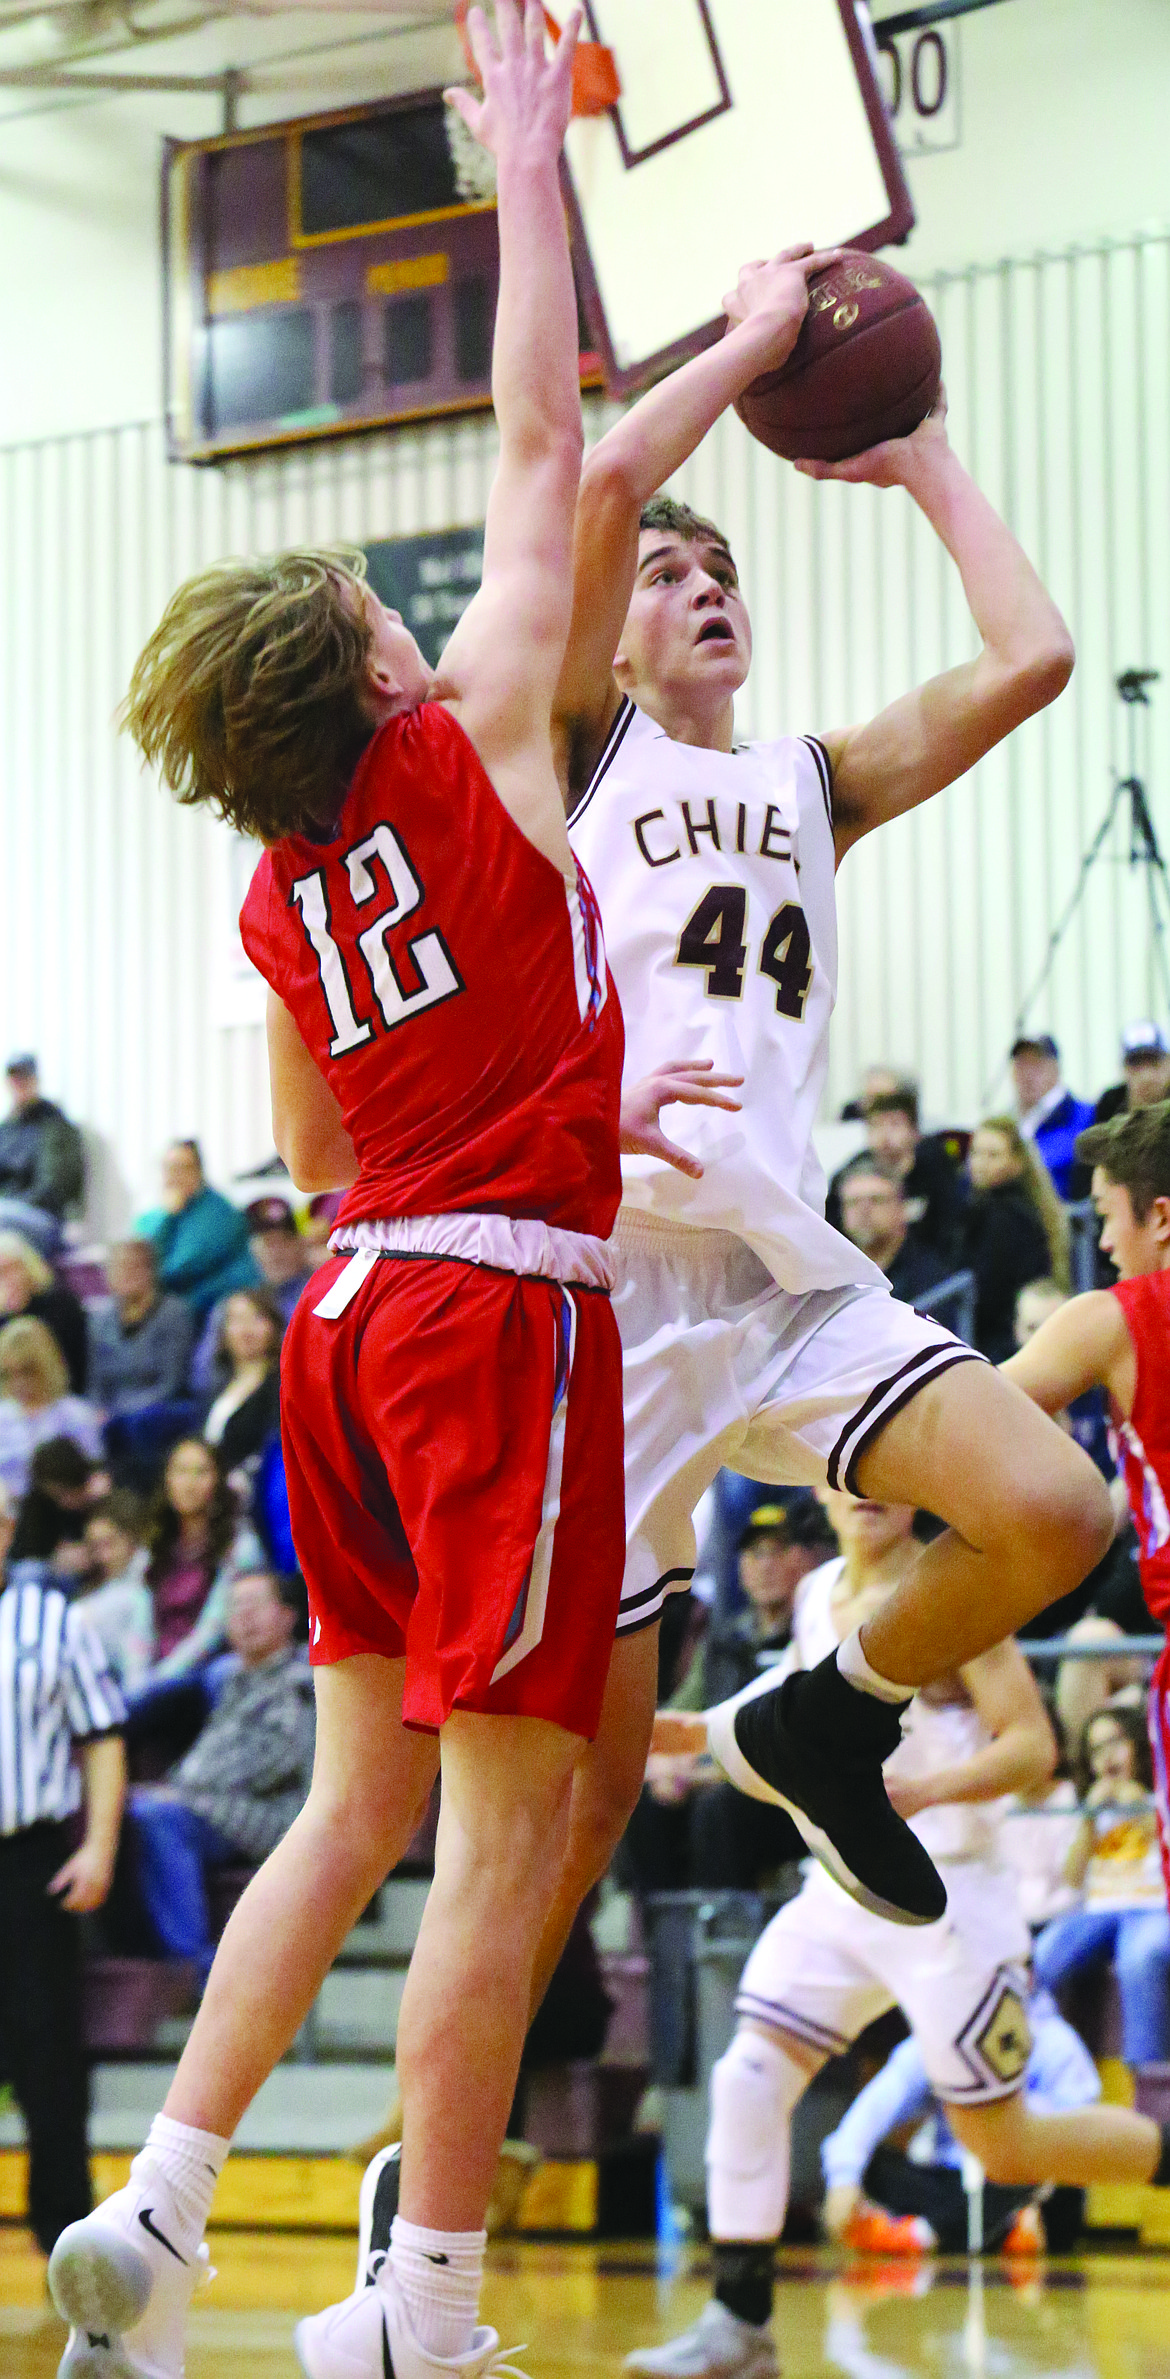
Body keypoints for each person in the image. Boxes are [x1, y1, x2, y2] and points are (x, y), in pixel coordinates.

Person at [47, 20, 708, 2379]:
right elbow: (545, 442)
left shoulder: (279, 895)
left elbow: (323, 1162)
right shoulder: (461, 749)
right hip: (487, 1324)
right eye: (374, 597)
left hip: (343, 1315)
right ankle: (421, 2300)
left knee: (353, 1803)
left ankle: (171, 2179)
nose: (417, 602)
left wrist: (537, 1100)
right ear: (367, 666)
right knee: (510, 1840)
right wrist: (526, 170)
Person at [534, 236, 1113, 1987]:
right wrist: (753, 343)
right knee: (562, 1821)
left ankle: (822, 1713)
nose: (702, 581)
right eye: (665, 575)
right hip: (617, 1282)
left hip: (787, 1282)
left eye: (722, 568)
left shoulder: (814, 782)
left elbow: (1032, 656)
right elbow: (606, 477)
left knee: (1057, 1511)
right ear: (611, 640)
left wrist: (921, 447)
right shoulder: (577, 749)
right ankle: (432, 2188)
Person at [628, 1497, 1170, 2379]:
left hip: (954, 1898)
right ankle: (739, 2322)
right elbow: (788, 1718)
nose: (869, 1489)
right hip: (840, 1890)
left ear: (917, 1488)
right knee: (748, 2073)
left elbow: (1034, 1747)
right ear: (827, 1486)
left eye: (888, 1473)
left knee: (1003, 2142)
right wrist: (684, 1733)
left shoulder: (950, 1590)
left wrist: (929, 1791)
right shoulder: (814, 1598)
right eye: (851, 1474)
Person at [1003, 1099, 1170, 1897]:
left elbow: (970, 1417)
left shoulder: (1115, 1319)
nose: (1102, 1241)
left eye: (1107, 1215)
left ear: (1160, 1217)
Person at [0, 1484, 127, 2261]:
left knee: (48, 2049)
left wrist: (101, 1845)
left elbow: (103, 1735)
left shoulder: (55, 1620)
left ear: (8, 1528)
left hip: (29, 1859)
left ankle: (64, 2235)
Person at [624, 1500, 838, 1895]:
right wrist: (663, 1765)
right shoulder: (722, 1642)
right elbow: (679, 1714)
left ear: (806, 1560)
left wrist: (703, 1772)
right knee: (642, 1806)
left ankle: (723, 1938)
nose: (765, 1565)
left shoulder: (819, 1626)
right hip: (717, 1770)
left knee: (718, 1809)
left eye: (778, 1551)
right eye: (754, 1554)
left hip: (789, 1789)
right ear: (739, 1568)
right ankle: (668, 1937)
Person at [124, 1568, 314, 1983]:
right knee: (124, 1809)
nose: (244, 1617)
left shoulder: (300, 1681)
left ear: (287, 1616)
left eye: (255, 1606)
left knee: (158, 1814)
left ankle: (195, 1963)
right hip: (217, 1802)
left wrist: (183, 1788)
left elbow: (277, 1760)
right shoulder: (227, 1679)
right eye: (235, 1608)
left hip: (271, 1812)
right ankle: (144, 1951)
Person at [819, 1987, 1102, 2256]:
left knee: (1062, 2189)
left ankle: (920, 2236)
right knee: (874, 2166)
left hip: (1022, 2177)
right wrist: (843, 2180)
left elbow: (1079, 2136)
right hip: (952, 2180)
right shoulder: (938, 2039)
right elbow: (872, 2110)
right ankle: (1001, 2232)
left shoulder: (1056, 2041)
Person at [1032, 1702, 1170, 2065]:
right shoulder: (1090, 1804)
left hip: (1153, 1907)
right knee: (1045, 1955)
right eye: (1095, 1749)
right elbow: (1073, 1877)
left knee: (1140, 1959)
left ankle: (1148, 2078)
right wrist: (1089, 1821)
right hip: (1097, 1911)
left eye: (1115, 1743)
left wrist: (1139, 1807)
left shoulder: (1159, 1796)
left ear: (1138, 1744)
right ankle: (1051, 2064)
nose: (1106, 1756)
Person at [135, 1436, 261, 1691]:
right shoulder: (153, 1547)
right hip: (154, 1673)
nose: (189, 1484)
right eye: (180, 1472)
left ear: (218, 1480)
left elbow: (213, 1629)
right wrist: (137, 1680)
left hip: (202, 1668)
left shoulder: (239, 1547)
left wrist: (160, 1679)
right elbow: (139, 1624)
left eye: (200, 1473)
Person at [961, 1116, 1067, 1362]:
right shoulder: (1010, 1209)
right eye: (976, 1153)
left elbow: (988, 1294)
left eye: (993, 1155)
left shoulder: (1005, 1216)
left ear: (1017, 1162)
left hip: (1002, 1345)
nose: (981, 1163)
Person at [826, 1081, 968, 1261]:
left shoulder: (937, 1171)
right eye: (876, 1126)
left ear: (915, 1132)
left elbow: (951, 1229)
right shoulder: (850, 1176)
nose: (885, 1136)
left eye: (894, 1124)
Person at [190, 1196, 316, 1398]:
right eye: (267, 1243)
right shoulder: (234, 1303)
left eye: (284, 1242)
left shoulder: (319, 1296)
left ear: (299, 1244)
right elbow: (201, 1377)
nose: (276, 1254)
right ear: (252, 1250)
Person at [136, 1139, 259, 1323]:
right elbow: (139, 1257)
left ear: (198, 1172)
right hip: (175, 1310)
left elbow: (177, 1270)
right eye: (168, 1168)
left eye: (181, 1168)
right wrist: (166, 1217)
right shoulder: (157, 1215)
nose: (173, 1176)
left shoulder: (219, 1213)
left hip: (213, 1309)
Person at [87, 1237, 196, 1419]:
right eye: (119, 1267)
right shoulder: (100, 1320)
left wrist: (119, 1415)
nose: (126, 1273)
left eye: (135, 1266)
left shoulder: (174, 1313)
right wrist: (97, 1411)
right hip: (109, 1415)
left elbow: (171, 1384)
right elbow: (96, 1383)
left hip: (155, 1413)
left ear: (151, 1271)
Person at [0, 1314, 104, 1500]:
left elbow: (93, 1478)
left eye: (27, 1372)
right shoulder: (2, 1416)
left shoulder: (76, 1415)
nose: (18, 1383)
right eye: (9, 1374)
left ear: (47, 1366)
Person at [835, 1157, 954, 1306]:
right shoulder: (833, 1279)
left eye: (876, 1200)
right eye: (852, 1202)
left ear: (901, 1207)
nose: (863, 1211)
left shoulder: (934, 1280)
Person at [0, 1054, 86, 1255]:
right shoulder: (6, 1129)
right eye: (15, 1077)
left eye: (25, 1076)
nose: (19, 1083)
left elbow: (52, 1188)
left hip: (43, 1218)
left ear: (35, 1079)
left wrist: (12, 1203)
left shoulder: (56, 1127)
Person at [75, 1489, 155, 1694]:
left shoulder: (146, 1572)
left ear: (130, 1537)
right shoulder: (96, 1584)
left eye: (109, 1544)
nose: (103, 1556)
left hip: (134, 1682)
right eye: (96, 1547)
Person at [201, 1285, 283, 1476]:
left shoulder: (280, 1386)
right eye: (237, 1320)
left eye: (256, 1318)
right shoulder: (216, 1384)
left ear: (274, 1326)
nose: (246, 1330)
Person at [0, 1226, 89, 1392]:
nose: (8, 1279)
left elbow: (78, 1368)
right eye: (1, 1273)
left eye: (14, 1268)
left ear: (29, 1267)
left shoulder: (62, 1305)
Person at [1009, 1033, 1093, 1199]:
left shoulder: (1084, 1116)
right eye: (1021, 1065)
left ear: (1055, 1068)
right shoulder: (1008, 1120)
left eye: (1036, 1065)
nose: (1027, 1074)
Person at [1092, 1022, 1170, 1125]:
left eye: (1154, 1062)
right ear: (1124, 1069)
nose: (1146, 1075)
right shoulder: (1108, 1108)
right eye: (1136, 1064)